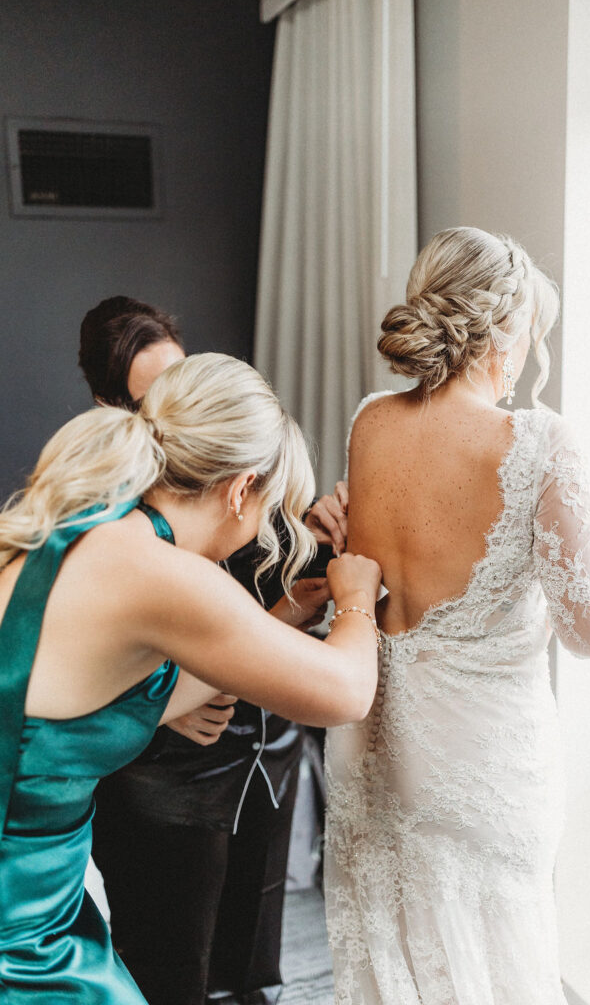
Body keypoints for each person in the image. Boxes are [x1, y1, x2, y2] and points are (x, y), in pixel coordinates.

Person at [0, 352, 381, 1005]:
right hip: (21, 918)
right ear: (240, 489)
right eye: (269, 504)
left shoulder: (99, 527)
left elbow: (123, 691)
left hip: (37, 888)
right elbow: (344, 693)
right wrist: (354, 595)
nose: (264, 524)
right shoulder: (163, 575)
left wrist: (291, 610)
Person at [323, 227, 590, 1005]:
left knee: (398, 966)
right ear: (506, 327)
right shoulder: (536, 442)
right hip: (482, 764)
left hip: (373, 750)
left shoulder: (371, 420)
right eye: (532, 326)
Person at [78, 297, 347, 1005]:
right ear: (110, 405)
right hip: (150, 783)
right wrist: (160, 710)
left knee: (243, 958)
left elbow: (241, 632)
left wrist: (312, 541)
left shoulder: (213, 500)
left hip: (254, 741)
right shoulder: (123, 535)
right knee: (169, 961)